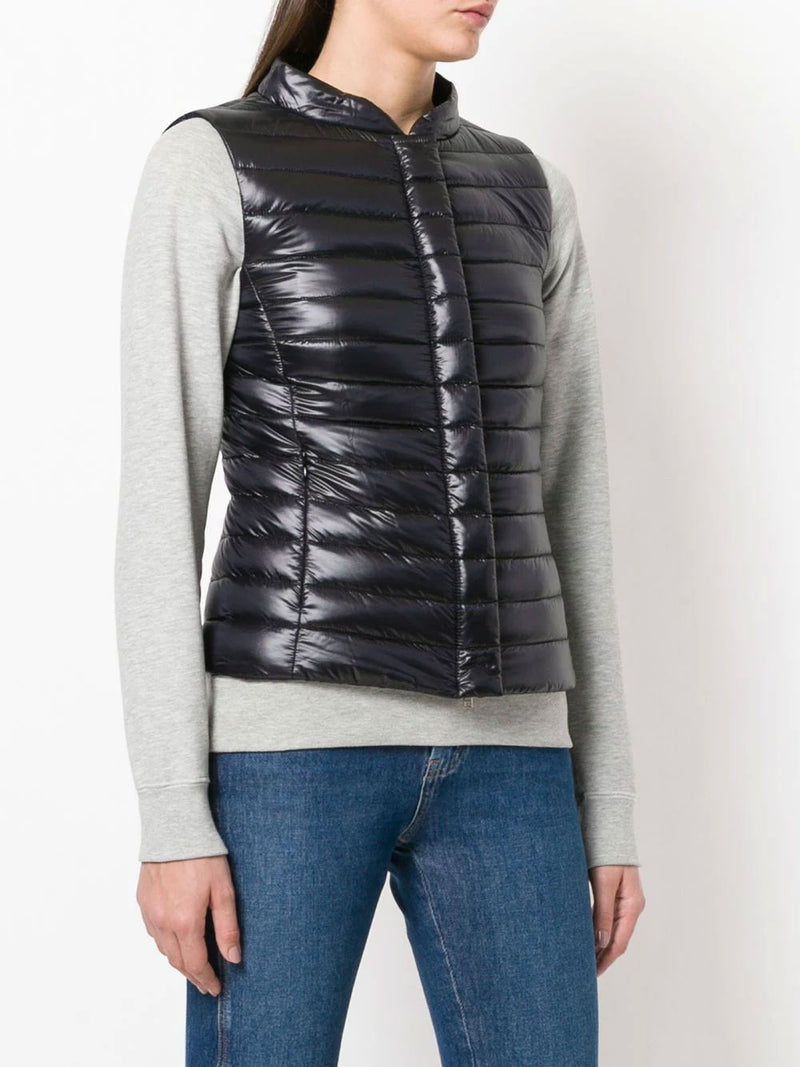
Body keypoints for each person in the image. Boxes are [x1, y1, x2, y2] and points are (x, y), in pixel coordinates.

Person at [114, 0, 646, 1062]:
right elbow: (158, 504)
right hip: (288, 758)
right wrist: (173, 814)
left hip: (512, 763)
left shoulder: (530, 190)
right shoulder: (213, 164)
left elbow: (569, 507)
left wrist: (609, 801)